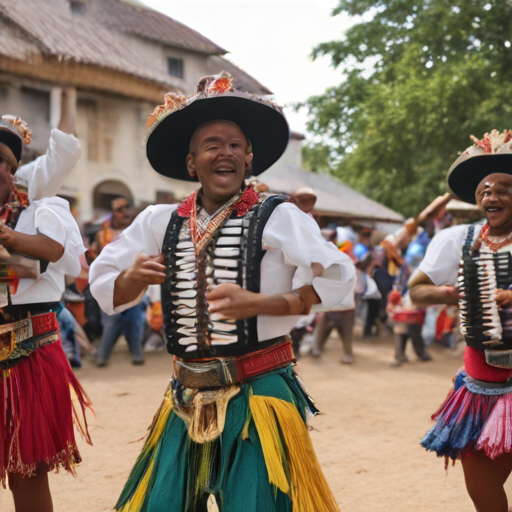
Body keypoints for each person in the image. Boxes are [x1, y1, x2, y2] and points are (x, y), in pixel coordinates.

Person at [90, 73, 355, 512]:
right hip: (185, 396)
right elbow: (103, 281)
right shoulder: (159, 220)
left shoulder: (279, 215)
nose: (225, 152)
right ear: (192, 163)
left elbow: (339, 274)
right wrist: (133, 278)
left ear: (248, 160)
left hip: (260, 393)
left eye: (235, 145)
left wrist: (268, 303)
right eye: (212, 144)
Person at [409, 129, 512, 512]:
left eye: (504, 188)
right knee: (484, 494)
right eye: (486, 189)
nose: (493, 195)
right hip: (480, 386)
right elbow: (417, 290)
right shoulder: (457, 239)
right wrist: (449, 293)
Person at [0, 111, 91, 512]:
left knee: (26, 465)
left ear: (10, 170)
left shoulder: (43, 208)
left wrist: (9, 240)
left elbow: (49, 255)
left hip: (28, 350)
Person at [91, 196, 145, 366]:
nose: (124, 212)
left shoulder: (139, 230)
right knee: (111, 320)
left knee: (133, 318)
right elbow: (97, 258)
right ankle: (103, 357)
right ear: (113, 214)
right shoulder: (103, 234)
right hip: (110, 283)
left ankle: (137, 355)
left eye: (126, 208)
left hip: (134, 281)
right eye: (119, 210)